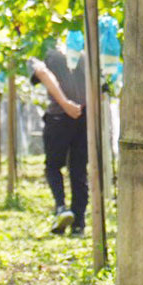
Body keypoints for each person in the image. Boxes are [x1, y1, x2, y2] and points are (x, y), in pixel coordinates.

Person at [29, 31, 87, 236]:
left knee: (53, 165)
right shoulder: (83, 46)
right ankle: (79, 222)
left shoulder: (42, 47)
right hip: (84, 114)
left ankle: (61, 208)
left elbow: (43, 73)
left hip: (59, 116)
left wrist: (65, 103)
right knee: (79, 169)